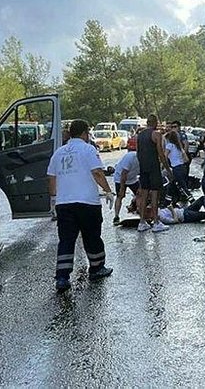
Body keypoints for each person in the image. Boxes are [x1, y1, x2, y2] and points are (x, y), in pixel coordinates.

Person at [47, 119, 114, 292]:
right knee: (91, 236)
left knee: (66, 240)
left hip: (64, 203)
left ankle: (62, 277)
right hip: (87, 202)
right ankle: (97, 267)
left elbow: (52, 178)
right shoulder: (88, 149)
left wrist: (54, 198)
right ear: (85, 133)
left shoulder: (59, 152)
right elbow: (97, 172)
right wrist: (107, 190)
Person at [136, 115, 171, 233]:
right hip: (153, 167)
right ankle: (156, 222)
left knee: (144, 195)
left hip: (143, 167)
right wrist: (168, 169)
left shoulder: (140, 135)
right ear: (155, 122)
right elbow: (161, 154)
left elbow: (138, 152)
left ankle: (142, 222)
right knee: (155, 195)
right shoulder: (156, 134)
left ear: (147, 122)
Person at [112, 147, 140, 226]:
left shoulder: (145, 159)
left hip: (132, 178)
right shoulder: (130, 157)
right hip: (120, 177)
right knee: (120, 196)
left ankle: (142, 215)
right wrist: (122, 188)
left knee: (140, 195)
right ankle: (116, 216)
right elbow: (123, 174)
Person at [164, 130, 190, 205]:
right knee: (171, 185)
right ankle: (167, 202)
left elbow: (165, 156)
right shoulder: (179, 147)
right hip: (182, 168)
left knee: (183, 187)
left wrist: (166, 166)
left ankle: (193, 202)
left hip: (176, 169)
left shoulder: (170, 146)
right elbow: (186, 159)